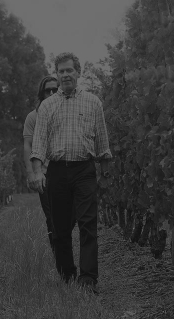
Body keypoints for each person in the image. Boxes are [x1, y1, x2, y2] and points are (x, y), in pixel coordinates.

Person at [30, 52, 112, 294]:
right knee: (60, 228)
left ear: (78, 72)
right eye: (61, 71)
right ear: (57, 74)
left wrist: (105, 171)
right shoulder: (47, 106)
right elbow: (39, 142)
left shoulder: (93, 103)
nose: (65, 75)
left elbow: (102, 140)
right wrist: (37, 171)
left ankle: (88, 279)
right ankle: (67, 275)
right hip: (57, 171)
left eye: (69, 70)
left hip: (84, 169)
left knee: (88, 224)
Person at [23, 76, 58, 252]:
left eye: (55, 89)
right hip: (43, 173)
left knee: (69, 216)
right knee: (51, 217)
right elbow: (27, 145)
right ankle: (58, 257)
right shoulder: (32, 117)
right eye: (47, 90)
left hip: (66, 170)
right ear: (41, 93)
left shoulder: (67, 113)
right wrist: (31, 173)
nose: (51, 93)